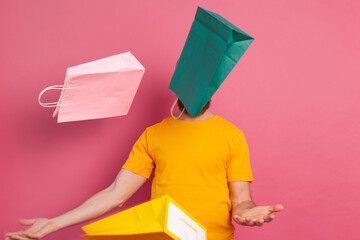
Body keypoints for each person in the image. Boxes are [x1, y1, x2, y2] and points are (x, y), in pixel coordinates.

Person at [5, 98, 284, 240]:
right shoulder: (154, 134)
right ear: (180, 84)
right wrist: (55, 223)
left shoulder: (231, 135)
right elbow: (116, 194)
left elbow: (241, 200)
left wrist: (247, 212)